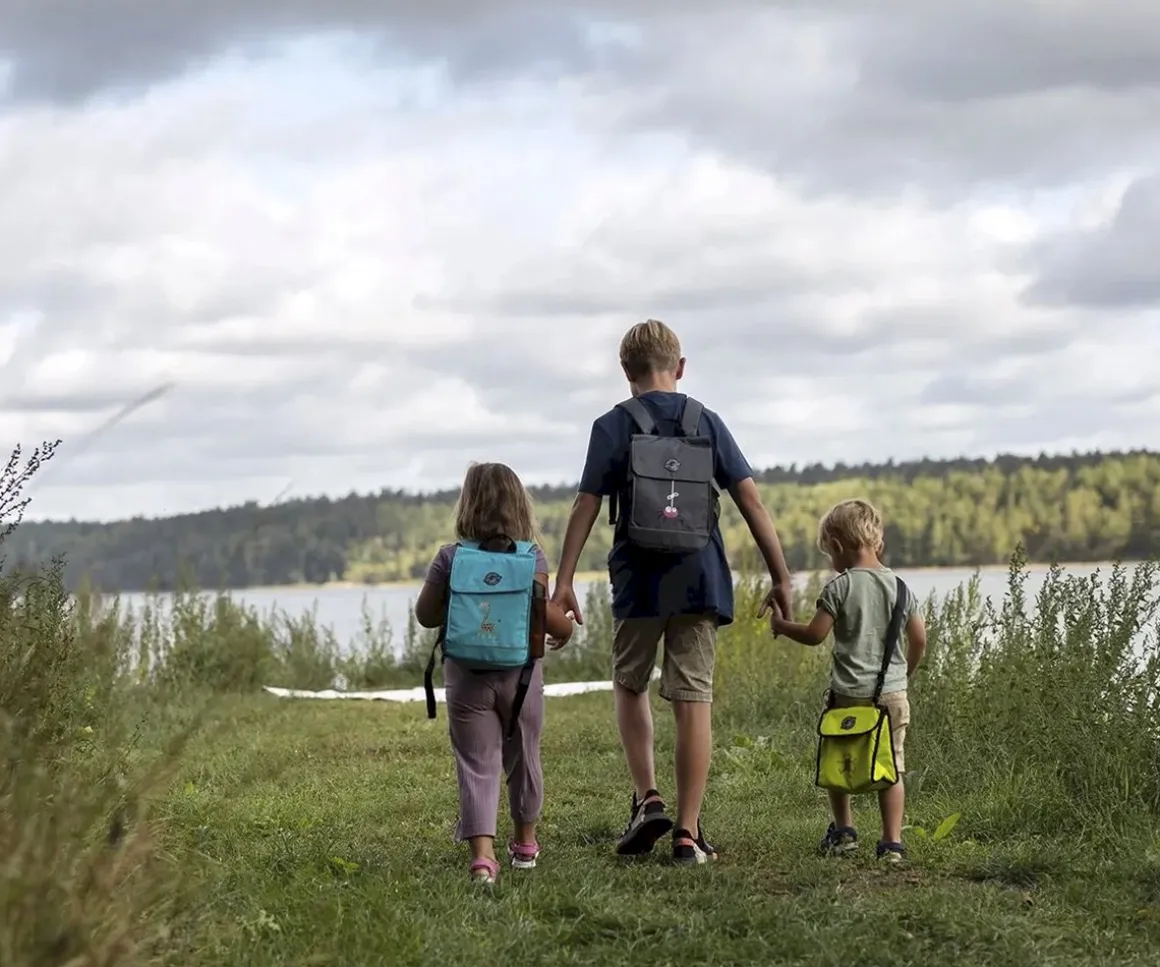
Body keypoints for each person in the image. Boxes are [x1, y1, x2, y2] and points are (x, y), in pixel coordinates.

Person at [551, 319, 794, 865]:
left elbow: (585, 505)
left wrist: (564, 581)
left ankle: (647, 798)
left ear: (625, 372)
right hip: (699, 577)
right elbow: (751, 502)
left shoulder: (612, 425)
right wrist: (781, 578)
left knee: (630, 683)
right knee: (693, 699)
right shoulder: (705, 420)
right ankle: (688, 832)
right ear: (679, 368)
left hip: (638, 577)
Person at [414, 462, 575, 885]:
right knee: (524, 755)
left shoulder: (450, 557)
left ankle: (483, 860)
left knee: (476, 762)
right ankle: (525, 845)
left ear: (467, 505)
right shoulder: (531, 557)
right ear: (521, 506)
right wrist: (568, 629)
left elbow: (425, 616)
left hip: (467, 677)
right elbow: (546, 615)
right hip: (522, 677)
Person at [766, 497, 927, 863]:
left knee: (838, 760)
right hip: (892, 695)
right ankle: (891, 844)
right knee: (892, 767)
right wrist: (903, 674)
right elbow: (919, 638)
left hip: (847, 696)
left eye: (829, 555)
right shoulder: (902, 588)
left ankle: (844, 832)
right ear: (877, 543)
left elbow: (814, 634)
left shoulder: (840, 587)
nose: (831, 562)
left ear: (837, 546)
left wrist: (780, 625)